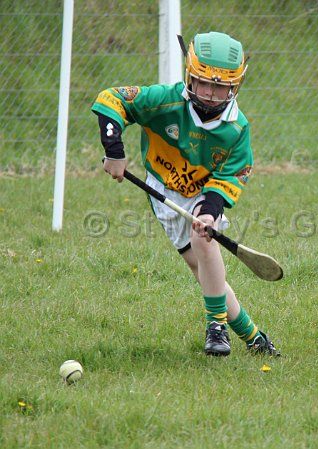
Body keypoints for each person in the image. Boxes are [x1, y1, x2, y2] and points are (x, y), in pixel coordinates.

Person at [91, 31, 279, 357]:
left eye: (220, 87)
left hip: (203, 191)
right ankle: (254, 337)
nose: (210, 93)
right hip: (162, 189)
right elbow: (111, 99)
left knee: (204, 240)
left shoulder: (236, 128)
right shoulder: (165, 101)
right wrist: (114, 151)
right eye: (203, 83)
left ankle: (216, 327)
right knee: (201, 270)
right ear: (190, 75)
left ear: (235, 86)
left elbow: (232, 174)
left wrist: (210, 209)